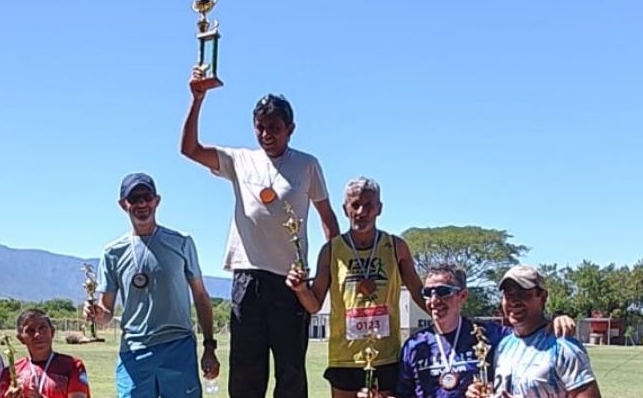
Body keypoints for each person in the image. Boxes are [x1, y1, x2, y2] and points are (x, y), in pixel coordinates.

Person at [182, 71, 340, 398]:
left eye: (275, 127)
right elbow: (190, 149)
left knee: (291, 373)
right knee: (245, 373)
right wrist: (197, 100)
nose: (267, 134)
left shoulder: (307, 165)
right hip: (248, 280)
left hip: (290, 284)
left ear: (291, 130)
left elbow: (328, 219)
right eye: (261, 127)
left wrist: (329, 273)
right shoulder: (240, 160)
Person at [286, 177, 426, 398]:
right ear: (345, 209)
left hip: (385, 356)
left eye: (368, 205)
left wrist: (452, 319)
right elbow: (314, 306)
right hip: (345, 357)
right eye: (355, 205)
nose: (361, 211)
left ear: (379, 209)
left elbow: (419, 293)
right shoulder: (331, 250)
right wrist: (301, 289)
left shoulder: (396, 247)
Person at [84, 173, 219, 398]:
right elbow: (106, 313)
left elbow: (201, 297)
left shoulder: (181, 242)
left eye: (146, 197)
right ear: (122, 204)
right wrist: (96, 314)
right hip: (134, 352)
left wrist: (209, 347)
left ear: (157, 200)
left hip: (177, 347)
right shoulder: (112, 253)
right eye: (133, 199)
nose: (141, 204)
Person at [358, 264, 576, 398]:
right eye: (428, 292)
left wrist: (554, 319)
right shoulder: (415, 346)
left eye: (443, 292)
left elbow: (526, 332)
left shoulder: (490, 335)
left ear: (462, 296)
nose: (434, 300)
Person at [466, 265, 600, 398]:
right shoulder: (503, 346)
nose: (514, 301)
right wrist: (482, 392)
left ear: (542, 297)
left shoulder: (563, 347)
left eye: (523, 294)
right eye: (508, 295)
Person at [0, 309, 90, 398]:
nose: (38, 334)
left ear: (52, 332)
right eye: (30, 330)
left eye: (42, 328)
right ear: (21, 338)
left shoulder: (73, 366)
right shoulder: (11, 373)